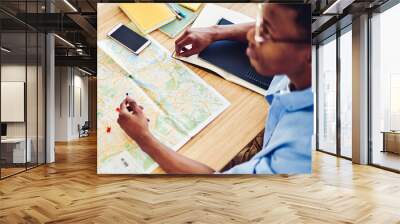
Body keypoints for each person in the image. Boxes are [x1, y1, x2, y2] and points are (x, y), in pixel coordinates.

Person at [117, 3, 313, 174]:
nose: (251, 34)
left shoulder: (299, 151)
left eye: (267, 33)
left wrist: (143, 137)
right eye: (260, 22)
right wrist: (216, 31)